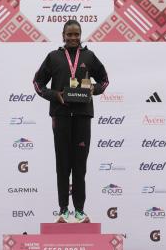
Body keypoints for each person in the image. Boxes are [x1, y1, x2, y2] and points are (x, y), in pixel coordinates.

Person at [33, 20, 109, 223]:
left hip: (83, 115)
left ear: (81, 35)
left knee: (80, 165)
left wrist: (94, 89)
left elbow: (104, 80)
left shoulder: (89, 57)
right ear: (63, 35)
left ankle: (80, 210)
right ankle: (63, 210)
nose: (73, 38)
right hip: (61, 115)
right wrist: (54, 95)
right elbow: (37, 83)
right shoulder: (53, 57)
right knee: (62, 164)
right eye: (69, 34)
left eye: (77, 34)